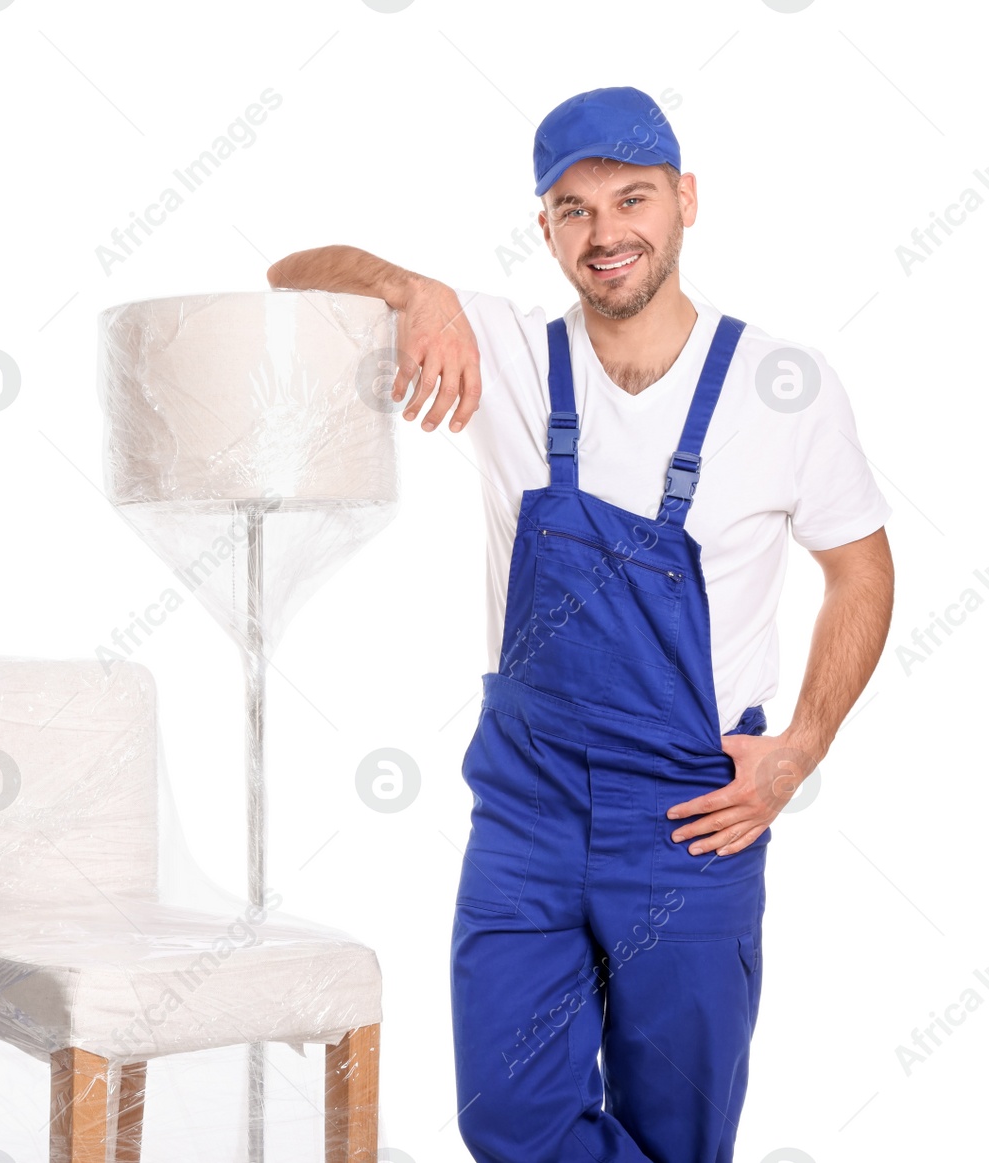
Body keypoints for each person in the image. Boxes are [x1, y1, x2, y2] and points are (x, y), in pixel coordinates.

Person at [267, 86, 894, 1161]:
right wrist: (406, 289)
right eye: (573, 208)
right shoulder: (500, 349)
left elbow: (861, 570)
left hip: (693, 813)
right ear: (545, 226)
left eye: (632, 198)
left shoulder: (779, 386)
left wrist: (799, 749)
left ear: (686, 201)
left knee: (678, 1128)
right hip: (527, 806)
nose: (606, 233)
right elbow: (288, 277)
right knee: (506, 1113)